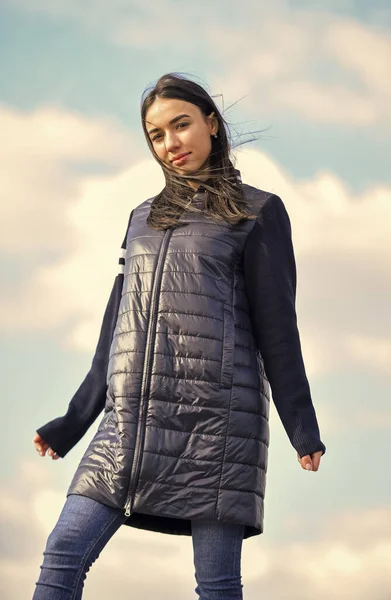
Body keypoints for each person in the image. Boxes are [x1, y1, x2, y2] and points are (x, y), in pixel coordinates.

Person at [32, 72, 326, 600]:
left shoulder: (257, 212)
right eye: (157, 135)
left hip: (213, 428)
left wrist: (301, 427)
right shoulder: (140, 218)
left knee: (215, 586)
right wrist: (73, 420)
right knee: (62, 556)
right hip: (129, 424)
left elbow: (279, 327)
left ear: (211, 123)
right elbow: (116, 323)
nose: (171, 143)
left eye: (181, 125)